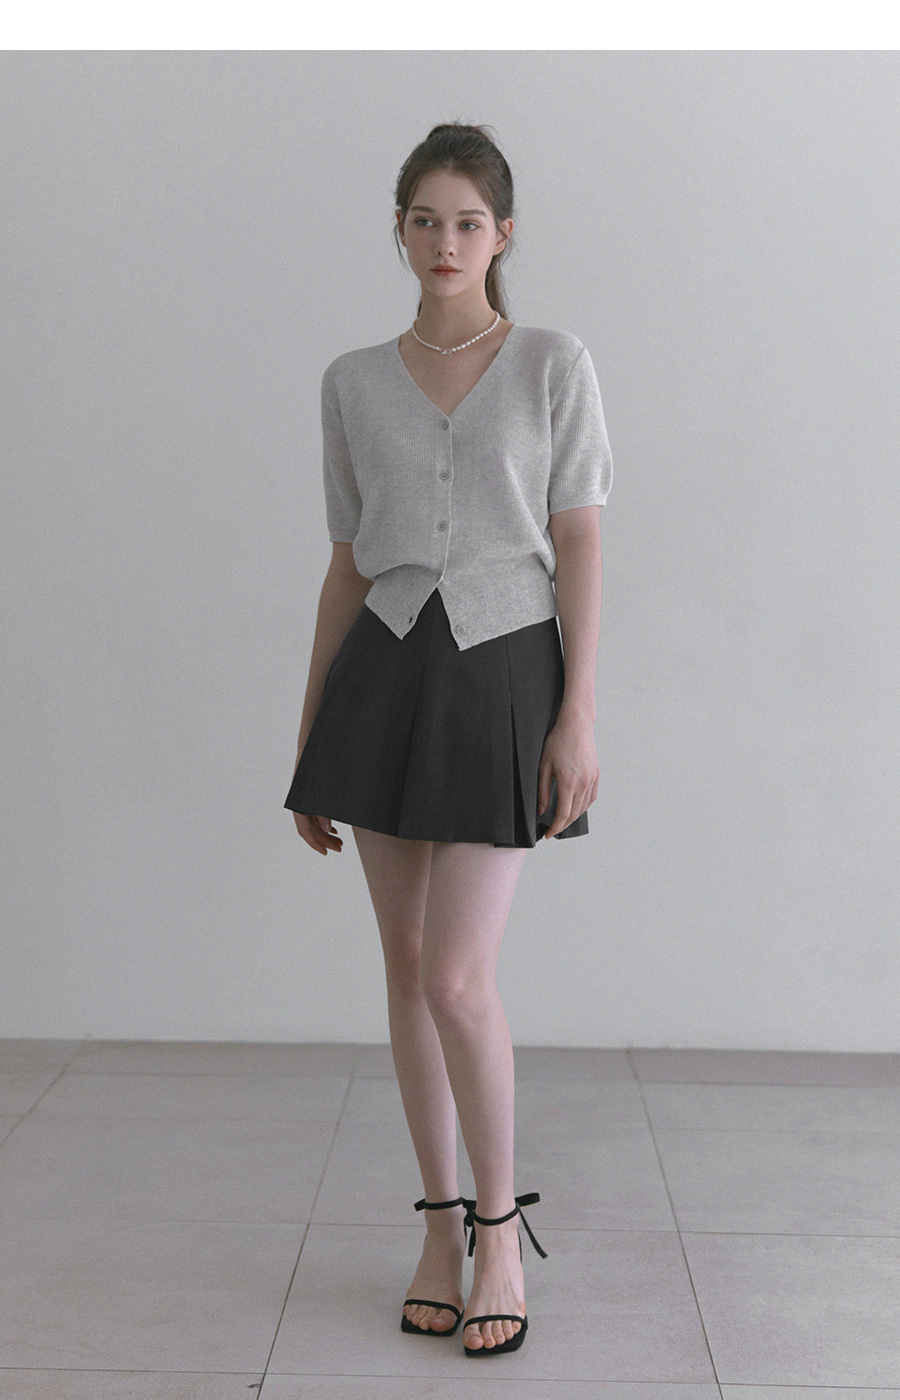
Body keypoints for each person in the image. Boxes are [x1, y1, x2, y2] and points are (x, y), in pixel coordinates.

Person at [284, 122, 613, 1357]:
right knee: (407, 965)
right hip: (382, 673)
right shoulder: (352, 381)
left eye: (468, 221)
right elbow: (345, 561)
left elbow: (578, 538)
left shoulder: (552, 364)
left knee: (460, 976)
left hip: (506, 672)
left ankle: (497, 1231)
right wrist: (311, 731)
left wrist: (579, 710)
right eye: (424, 219)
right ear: (400, 231)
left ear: (503, 233)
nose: (445, 241)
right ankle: (435, 1223)